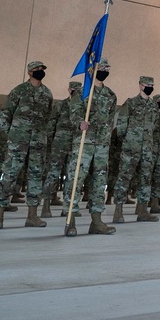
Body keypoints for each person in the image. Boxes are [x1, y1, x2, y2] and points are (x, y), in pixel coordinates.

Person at [0, 61, 54, 229]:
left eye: (42, 69)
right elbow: (5, 113)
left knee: (35, 177)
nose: (40, 71)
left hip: (38, 142)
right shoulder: (19, 90)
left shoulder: (47, 93)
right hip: (18, 140)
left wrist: (43, 135)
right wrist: (10, 134)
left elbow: (48, 117)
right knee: (10, 175)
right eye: (37, 69)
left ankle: (32, 216)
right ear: (30, 72)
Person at [64, 58, 117, 236]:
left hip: (101, 145)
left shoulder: (110, 95)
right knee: (76, 180)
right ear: (93, 69)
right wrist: (80, 122)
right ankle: (70, 221)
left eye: (107, 68)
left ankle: (96, 221)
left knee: (100, 182)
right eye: (101, 67)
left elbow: (110, 120)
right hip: (84, 143)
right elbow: (73, 113)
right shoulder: (82, 91)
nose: (104, 70)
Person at [113, 76, 158, 223]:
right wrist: (128, 141)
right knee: (124, 177)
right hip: (131, 147)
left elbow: (154, 126)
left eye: (152, 85)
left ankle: (143, 210)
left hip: (147, 148)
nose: (150, 87)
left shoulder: (153, 106)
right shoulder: (131, 103)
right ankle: (118, 210)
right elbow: (121, 126)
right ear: (140, 85)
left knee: (145, 178)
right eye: (147, 85)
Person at [41, 81, 83, 217]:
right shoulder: (60, 105)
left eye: (78, 89)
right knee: (53, 173)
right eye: (73, 89)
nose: (75, 91)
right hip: (59, 143)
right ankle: (46, 205)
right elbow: (51, 125)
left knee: (72, 176)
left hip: (75, 143)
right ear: (68, 89)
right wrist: (48, 143)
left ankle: (68, 206)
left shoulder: (82, 106)